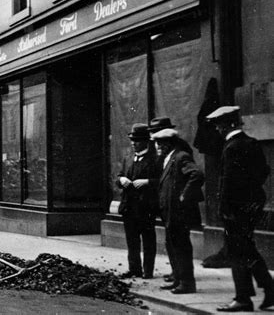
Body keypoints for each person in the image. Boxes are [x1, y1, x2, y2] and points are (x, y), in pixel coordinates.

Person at [206, 106, 273, 312]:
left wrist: (224, 209)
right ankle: (269, 290)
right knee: (246, 248)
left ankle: (243, 298)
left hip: (235, 209)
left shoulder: (231, 147)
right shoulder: (251, 143)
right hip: (252, 205)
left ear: (228, 124)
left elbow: (228, 183)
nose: (217, 129)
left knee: (237, 252)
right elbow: (264, 171)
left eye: (219, 125)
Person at [152, 128, 204, 294]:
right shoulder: (168, 158)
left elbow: (196, 174)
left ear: (170, 143)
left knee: (181, 247)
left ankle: (187, 283)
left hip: (178, 213)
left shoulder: (180, 156)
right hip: (170, 212)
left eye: (161, 142)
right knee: (174, 246)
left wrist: (184, 196)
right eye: (156, 142)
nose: (158, 146)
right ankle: (178, 279)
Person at [117, 123, 161, 279]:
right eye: (132, 140)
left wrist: (147, 182)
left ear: (145, 142)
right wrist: (121, 179)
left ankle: (148, 271)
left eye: (137, 140)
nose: (133, 143)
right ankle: (134, 269)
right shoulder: (128, 158)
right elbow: (119, 177)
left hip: (145, 207)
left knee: (148, 240)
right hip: (128, 207)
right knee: (132, 241)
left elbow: (161, 181)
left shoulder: (155, 159)